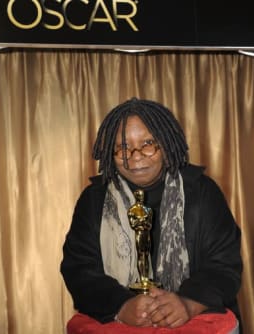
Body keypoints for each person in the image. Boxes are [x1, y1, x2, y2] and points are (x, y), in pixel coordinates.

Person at [60, 98, 242, 332]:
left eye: (148, 143)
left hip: (194, 317)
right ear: (110, 153)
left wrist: (187, 303)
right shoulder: (94, 200)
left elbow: (224, 265)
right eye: (122, 148)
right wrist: (121, 306)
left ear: (165, 144)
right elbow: (78, 269)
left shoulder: (202, 192)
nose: (135, 156)